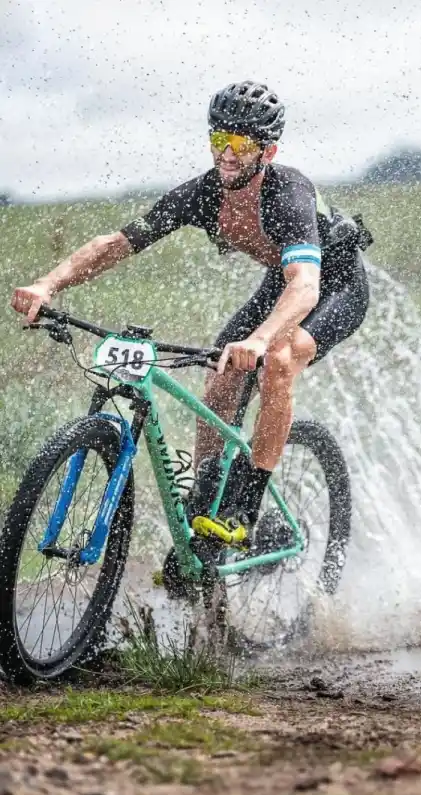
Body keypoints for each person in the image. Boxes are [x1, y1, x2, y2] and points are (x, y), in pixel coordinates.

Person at [10, 80, 373, 542]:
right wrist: (47, 284)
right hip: (281, 284)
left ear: (268, 152)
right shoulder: (202, 194)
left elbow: (304, 285)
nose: (227, 154)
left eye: (241, 144)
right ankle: (205, 497)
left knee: (279, 361)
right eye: (219, 140)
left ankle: (244, 508)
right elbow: (116, 244)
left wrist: (261, 340)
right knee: (221, 374)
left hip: (335, 284)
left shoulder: (287, 192)